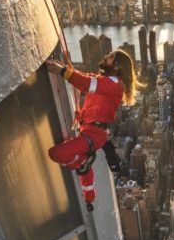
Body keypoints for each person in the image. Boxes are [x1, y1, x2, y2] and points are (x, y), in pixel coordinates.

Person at [46, 49, 141, 210]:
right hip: (89, 131)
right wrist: (62, 66)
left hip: (94, 135)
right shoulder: (105, 80)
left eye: (110, 57)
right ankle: (89, 196)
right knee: (81, 166)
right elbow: (84, 77)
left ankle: (82, 161)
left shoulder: (115, 84)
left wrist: (62, 71)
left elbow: (85, 83)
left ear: (117, 66)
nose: (105, 56)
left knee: (56, 153)